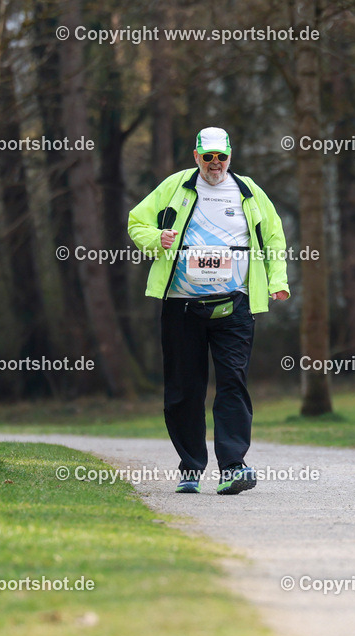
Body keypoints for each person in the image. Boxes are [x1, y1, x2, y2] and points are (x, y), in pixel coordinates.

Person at [128, 127, 289, 494]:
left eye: (221, 157)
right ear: (196, 156)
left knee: (233, 382)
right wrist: (157, 239)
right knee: (184, 390)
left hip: (235, 304)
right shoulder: (176, 186)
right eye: (208, 157)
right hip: (181, 305)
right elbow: (137, 221)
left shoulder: (248, 191)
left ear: (230, 156)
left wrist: (279, 279)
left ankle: (233, 466)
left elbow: (274, 237)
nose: (215, 164)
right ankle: (190, 467)